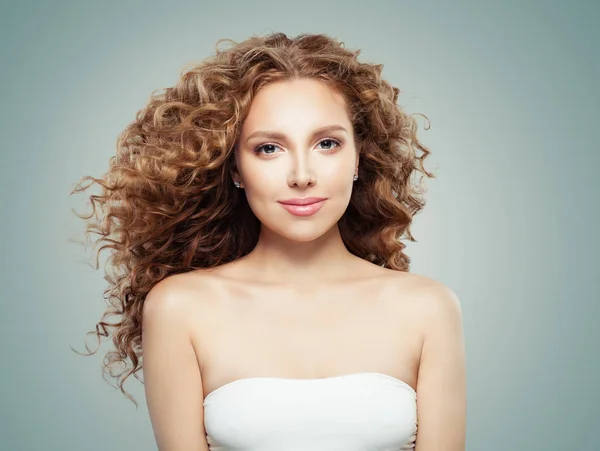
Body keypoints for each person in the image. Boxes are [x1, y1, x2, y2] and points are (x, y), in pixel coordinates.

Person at [72, 31, 466, 451]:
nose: (301, 174)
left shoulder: (428, 308)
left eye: (327, 143)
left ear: (358, 158)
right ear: (235, 168)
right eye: (269, 148)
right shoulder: (180, 308)